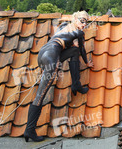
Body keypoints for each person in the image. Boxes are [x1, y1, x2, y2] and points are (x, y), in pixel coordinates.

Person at [24, 11, 94, 142]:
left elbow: (72, 47)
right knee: (41, 94)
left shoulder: (64, 25)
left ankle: (76, 84)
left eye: (86, 22)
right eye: (82, 20)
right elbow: (82, 49)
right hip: (51, 57)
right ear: (75, 19)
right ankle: (29, 130)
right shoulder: (79, 33)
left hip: (43, 54)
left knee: (73, 51)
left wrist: (72, 45)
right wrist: (86, 62)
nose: (84, 24)